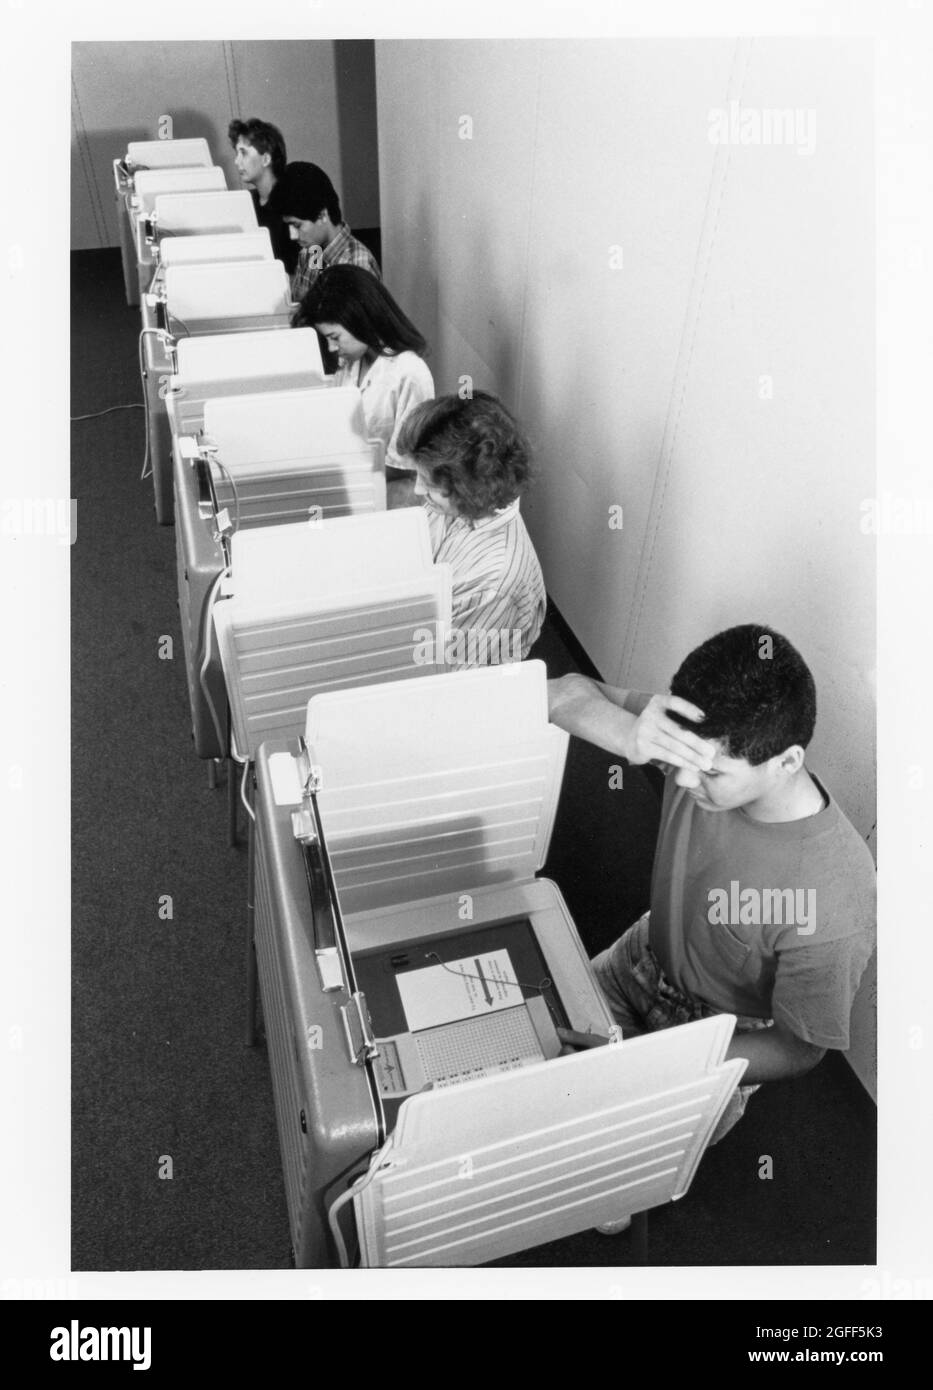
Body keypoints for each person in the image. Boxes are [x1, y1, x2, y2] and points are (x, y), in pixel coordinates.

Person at [547, 624, 875, 1147]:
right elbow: (560, 693)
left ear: (786, 761)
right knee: (535, 1070)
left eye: (710, 772)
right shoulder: (694, 749)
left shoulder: (834, 899)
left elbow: (799, 1049)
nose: (679, 780)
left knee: (607, 1182)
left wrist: (653, 1066)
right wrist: (630, 735)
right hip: (643, 956)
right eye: (680, 757)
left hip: (722, 1033)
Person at [396, 392, 547, 664]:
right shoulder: (460, 503)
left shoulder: (494, 583)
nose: (418, 489)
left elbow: (446, 672)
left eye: (430, 485)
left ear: (468, 488)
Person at [294, 265, 433, 507]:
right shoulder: (351, 363)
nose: (331, 348)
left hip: (393, 494)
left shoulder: (409, 373)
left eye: (334, 337)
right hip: (358, 481)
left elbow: (403, 467)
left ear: (360, 319)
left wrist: (335, 473)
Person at [279, 161, 381, 303]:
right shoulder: (311, 251)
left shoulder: (358, 265)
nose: (292, 236)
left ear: (322, 215)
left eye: (297, 225)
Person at [227, 118, 296, 273]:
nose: (236, 161)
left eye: (243, 153)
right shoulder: (247, 203)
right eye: (237, 153)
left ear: (266, 159)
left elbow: (309, 266)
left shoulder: (292, 204)